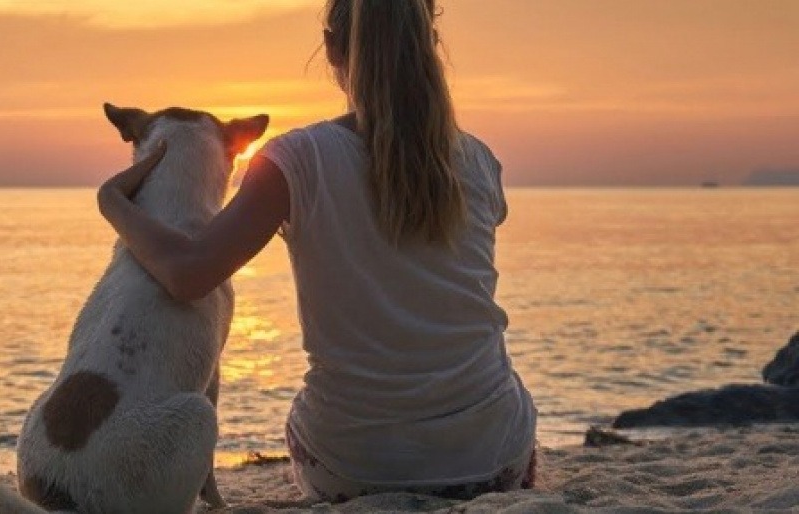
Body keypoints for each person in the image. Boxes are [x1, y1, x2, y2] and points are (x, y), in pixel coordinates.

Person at [96, 0, 536, 503]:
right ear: (431, 45)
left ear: (330, 47)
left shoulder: (295, 159)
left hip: (354, 465)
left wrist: (113, 203)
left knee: (318, 427)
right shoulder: (479, 160)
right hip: (492, 459)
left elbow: (189, 274)